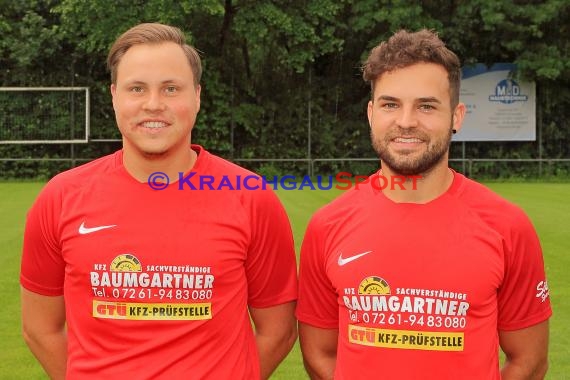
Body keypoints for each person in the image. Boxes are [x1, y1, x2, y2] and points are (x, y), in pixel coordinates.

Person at [20, 23, 298, 379]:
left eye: (171, 89)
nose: (153, 105)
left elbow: (279, 330)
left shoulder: (250, 197)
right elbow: (39, 329)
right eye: (137, 88)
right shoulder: (60, 198)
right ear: (114, 96)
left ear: (197, 96)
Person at [296, 29, 552, 380]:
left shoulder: (507, 226)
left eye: (426, 106)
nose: (405, 121)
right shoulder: (327, 226)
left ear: (457, 116)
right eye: (390, 104)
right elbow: (318, 354)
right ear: (371, 114)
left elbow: (530, 361)